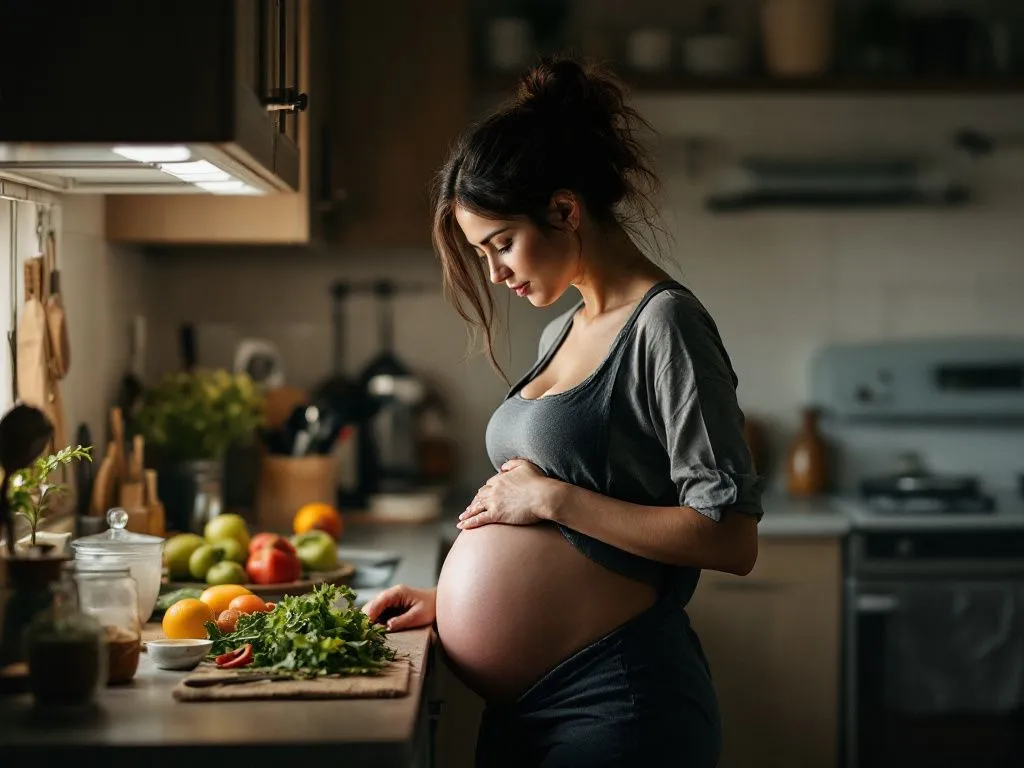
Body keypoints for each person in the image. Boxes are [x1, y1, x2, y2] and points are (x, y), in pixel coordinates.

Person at [363, 55, 763, 768]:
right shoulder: (564, 331)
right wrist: (449, 604)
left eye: (501, 244)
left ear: (566, 210)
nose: (495, 273)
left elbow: (729, 539)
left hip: (618, 701)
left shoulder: (664, 325)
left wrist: (552, 498)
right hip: (527, 708)